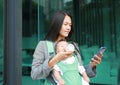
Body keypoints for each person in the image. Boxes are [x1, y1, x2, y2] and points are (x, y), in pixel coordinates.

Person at [31, 10, 102, 85]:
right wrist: (55, 60)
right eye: (65, 24)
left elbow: (77, 73)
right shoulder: (43, 45)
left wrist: (93, 65)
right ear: (56, 25)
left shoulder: (73, 45)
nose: (68, 28)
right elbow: (35, 74)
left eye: (70, 25)